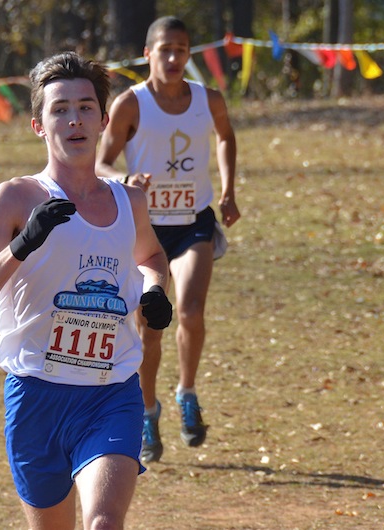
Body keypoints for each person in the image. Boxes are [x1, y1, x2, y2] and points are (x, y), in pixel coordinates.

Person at [0, 51, 172, 530]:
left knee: (103, 524)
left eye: (86, 107)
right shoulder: (16, 198)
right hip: (36, 397)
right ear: (38, 125)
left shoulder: (127, 201)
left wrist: (154, 289)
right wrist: (23, 245)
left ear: (104, 120)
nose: (74, 119)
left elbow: (152, 258)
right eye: (60, 109)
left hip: (110, 392)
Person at [96, 16, 241, 464]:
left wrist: (229, 188)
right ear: (148, 54)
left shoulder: (208, 99)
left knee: (192, 311)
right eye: (166, 50)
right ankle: (147, 410)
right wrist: (124, 178)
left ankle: (187, 393)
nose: (175, 58)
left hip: (195, 222)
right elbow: (101, 161)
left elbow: (226, 137)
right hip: (146, 230)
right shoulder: (130, 104)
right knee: (150, 327)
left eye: (182, 49)